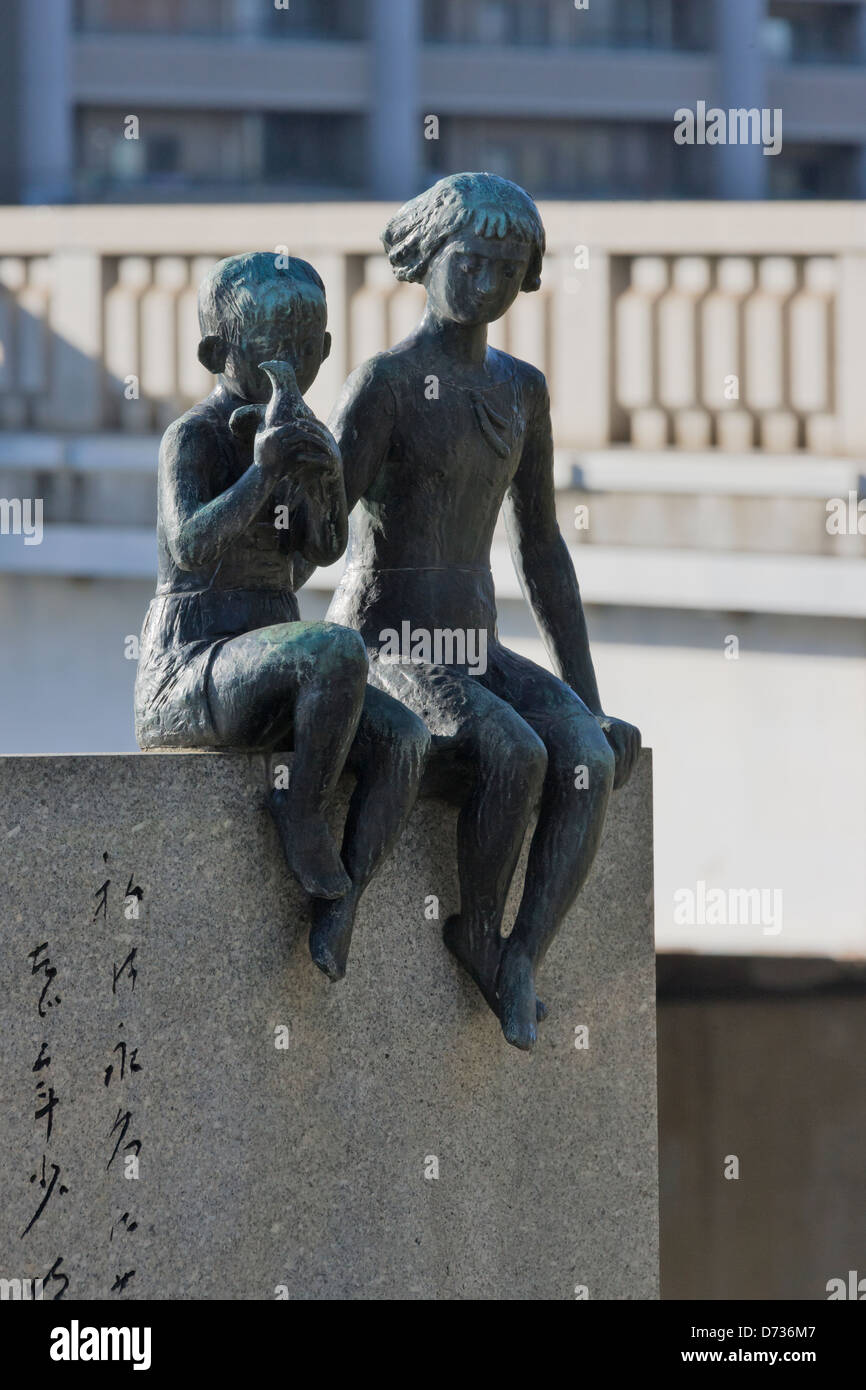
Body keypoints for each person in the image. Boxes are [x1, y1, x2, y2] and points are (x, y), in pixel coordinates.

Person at [327, 174, 641, 1050]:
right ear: (427, 259)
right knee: (510, 750)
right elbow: (324, 530)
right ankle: (474, 924)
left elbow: (540, 546)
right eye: (472, 262)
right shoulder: (384, 384)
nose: (488, 285)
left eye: (508, 269)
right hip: (389, 636)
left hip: (475, 642)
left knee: (580, 754)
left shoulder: (522, 390)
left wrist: (588, 696)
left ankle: (518, 950)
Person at [134, 252, 429, 975]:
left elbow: (321, 552)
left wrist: (325, 483)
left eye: (307, 351)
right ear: (217, 354)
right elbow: (191, 542)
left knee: (406, 740)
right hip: (195, 668)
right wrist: (262, 473)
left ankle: (344, 899)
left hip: (272, 669)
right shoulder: (195, 438)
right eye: (273, 355)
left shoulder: (301, 433)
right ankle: (299, 813)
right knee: (336, 651)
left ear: (326, 350)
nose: (291, 370)